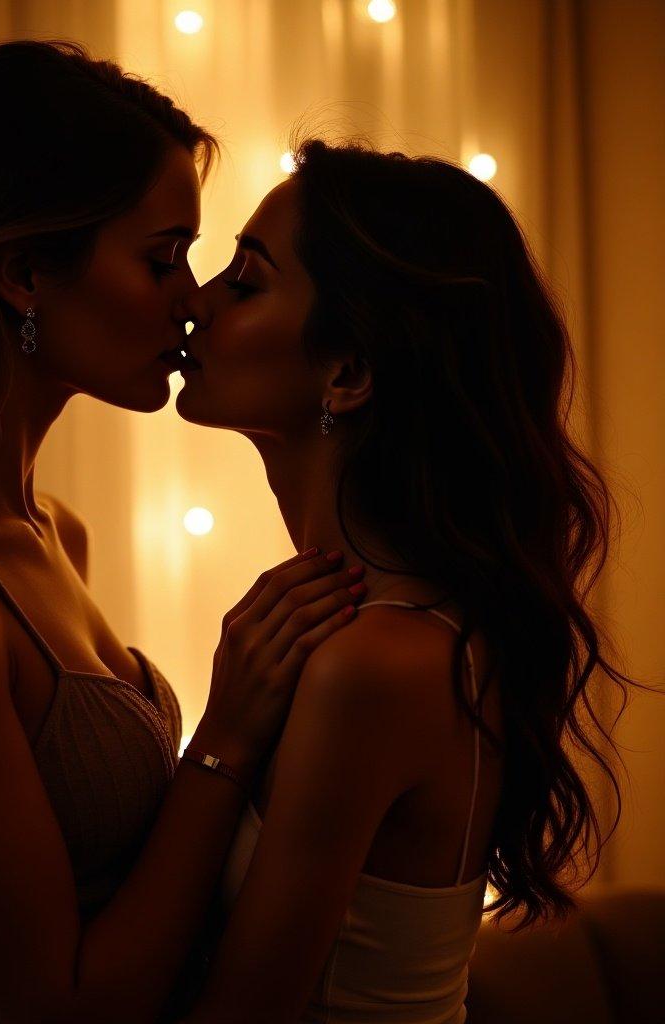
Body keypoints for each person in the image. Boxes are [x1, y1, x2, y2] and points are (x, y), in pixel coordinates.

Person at [0, 42, 366, 1024]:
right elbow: (60, 1005)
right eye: (161, 258)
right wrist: (225, 735)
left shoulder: (53, 532)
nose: (193, 301)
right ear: (22, 274)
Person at [166, 135, 641, 1023]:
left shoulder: (375, 664)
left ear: (345, 373)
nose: (194, 302)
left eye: (245, 279)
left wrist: (218, 742)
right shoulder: (391, 624)